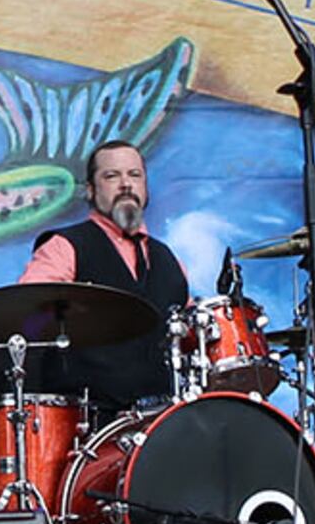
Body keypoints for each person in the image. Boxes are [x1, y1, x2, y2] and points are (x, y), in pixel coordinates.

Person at [18, 138, 193, 407]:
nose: (126, 184)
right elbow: (26, 313)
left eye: (134, 175)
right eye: (112, 176)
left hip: (164, 416)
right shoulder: (65, 246)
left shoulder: (169, 258)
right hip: (88, 416)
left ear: (145, 187)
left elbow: (191, 334)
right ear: (90, 190)